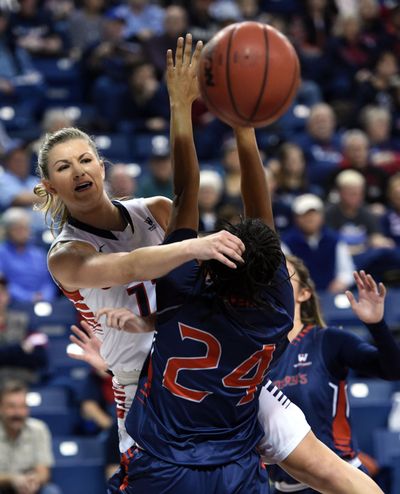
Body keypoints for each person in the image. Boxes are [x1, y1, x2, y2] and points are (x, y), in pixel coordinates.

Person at [98, 34, 382, 494]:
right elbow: (256, 210)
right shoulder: (274, 309)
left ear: (211, 262)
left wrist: (181, 105)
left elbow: (187, 194)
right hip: (236, 468)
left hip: (164, 465)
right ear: (272, 271)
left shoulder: (183, 286)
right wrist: (244, 125)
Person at [33, 120, 244, 459]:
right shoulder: (65, 254)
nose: (77, 171)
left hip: (200, 364)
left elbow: (188, 194)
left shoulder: (157, 209)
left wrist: (180, 104)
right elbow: (129, 265)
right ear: (50, 186)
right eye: (63, 167)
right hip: (139, 384)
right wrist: (194, 246)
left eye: (85, 160)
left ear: (101, 167)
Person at [268, 256, 400, 493]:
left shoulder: (327, 341)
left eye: (283, 275)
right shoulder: (256, 355)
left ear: (304, 293)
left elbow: (392, 370)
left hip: (342, 481)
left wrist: (377, 325)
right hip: (283, 487)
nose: (274, 281)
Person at [0, 379, 62, 494]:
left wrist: (33, 481)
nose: (18, 413)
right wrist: (13, 479)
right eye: (11, 407)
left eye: (23, 407)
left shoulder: (38, 429)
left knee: (51, 491)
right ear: (1, 408)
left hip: (30, 486)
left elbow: (44, 472)